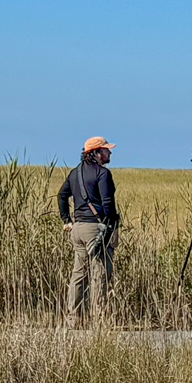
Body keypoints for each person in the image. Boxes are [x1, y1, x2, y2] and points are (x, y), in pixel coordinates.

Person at [57, 137, 118, 324]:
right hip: (97, 228)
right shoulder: (103, 174)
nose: (110, 153)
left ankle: (73, 318)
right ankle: (99, 318)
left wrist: (67, 220)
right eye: (106, 150)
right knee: (100, 272)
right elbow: (107, 203)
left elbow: (61, 196)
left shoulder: (75, 173)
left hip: (78, 229)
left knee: (79, 274)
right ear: (96, 153)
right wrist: (111, 225)